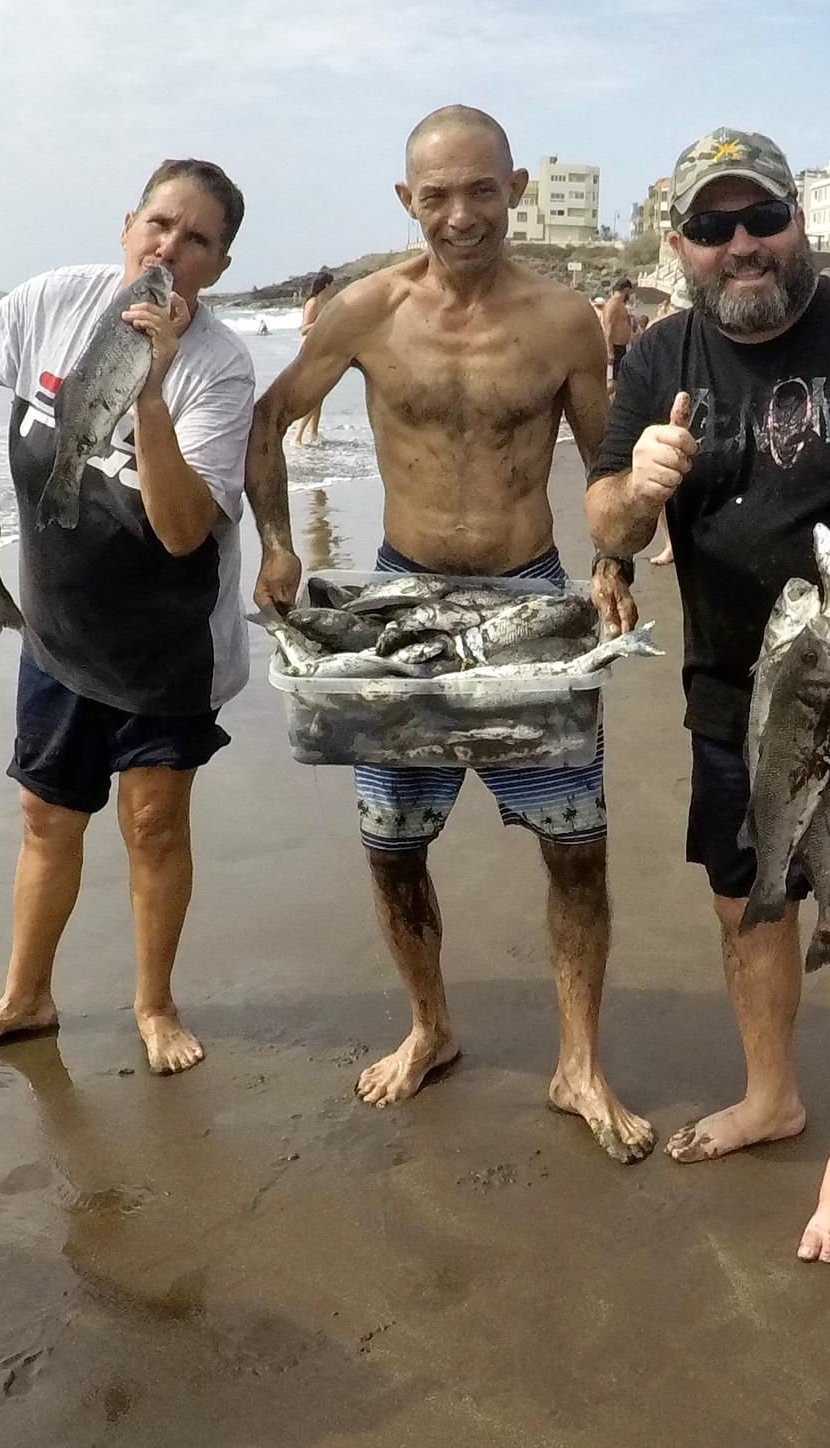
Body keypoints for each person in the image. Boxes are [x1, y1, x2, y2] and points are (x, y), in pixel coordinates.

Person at [585, 124, 830, 1262]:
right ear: (681, 244)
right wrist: (634, 497)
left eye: (762, 218)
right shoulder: (661, 357)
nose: (742, 245)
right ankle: (773, 1095)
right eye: (714, 228)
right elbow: (606, 515)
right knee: (751, 902)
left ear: (798, 220)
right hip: (737, 693)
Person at [246, 104, 654, 1165]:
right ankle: (430, 1025)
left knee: (578, 848)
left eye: (481, 190)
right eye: (437, 195)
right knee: (392, 847)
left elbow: (606, 469)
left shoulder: (566, 321)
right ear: (406, 200)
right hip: (400, 605)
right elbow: (268, 418)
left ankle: (578, 1062)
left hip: (530, 597)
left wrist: (611, 562)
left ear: (516, 189)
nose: (460, 214)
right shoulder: (366, 312)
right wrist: (279, 547)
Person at [0, 159, 255, 1075]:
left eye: (198, 242)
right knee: (46, 817)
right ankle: (25, 997)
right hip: (57, 633)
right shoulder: (57, 300)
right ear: (127, 225)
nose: (170, 249)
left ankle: (154, 1004)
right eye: (160, 224)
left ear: (216, 269)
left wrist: (147, 387)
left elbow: (184, 534)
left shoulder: (218, 369)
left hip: (164, 646)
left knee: (153, 825)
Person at [293, 270, 335, 445]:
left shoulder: (323, 302)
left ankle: (313, 434)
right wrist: (324, 321)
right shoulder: (313, 302)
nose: (335, 288)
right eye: (332, 284)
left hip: (319, 347)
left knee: (320, 396)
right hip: (309, 348)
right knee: (315, 395)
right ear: (326, 286)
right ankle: (297, 437)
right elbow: (303, 328)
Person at [602, 278, 634, 385]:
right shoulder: (613, 304)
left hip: (622, 346)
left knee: (620, 379)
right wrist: (610, 351)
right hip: (615, 347)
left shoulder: (620, 304)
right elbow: (608, 328)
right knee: (614, 381)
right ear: (626, 290)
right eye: (629, 291)